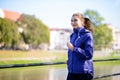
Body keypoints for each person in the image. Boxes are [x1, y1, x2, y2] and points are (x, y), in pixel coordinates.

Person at [66, 13, 94, 80]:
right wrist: (70, 60)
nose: (73, 22)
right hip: (72, 72)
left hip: (84, 73)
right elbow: (72, 52)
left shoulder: (87, 35)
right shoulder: (72, 35)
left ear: (82, 22)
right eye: (71, 20)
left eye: (75, 20)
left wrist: (73, 48)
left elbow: (88, 54)